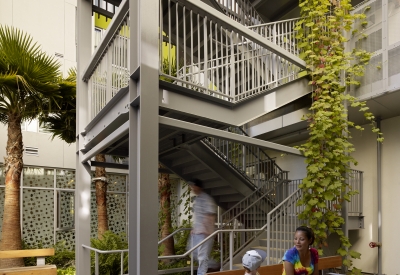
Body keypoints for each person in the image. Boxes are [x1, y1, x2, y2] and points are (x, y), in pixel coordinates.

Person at [187, 179, 218, 275]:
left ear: (198, 187)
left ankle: (202, 272)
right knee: (191, 250)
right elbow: (199, 217)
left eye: (193, 186)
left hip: (204, 233)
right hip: (197, 231)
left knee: (202, 255)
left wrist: (208, 231)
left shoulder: (206, 199)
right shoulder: (198, 198)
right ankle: (213, 265)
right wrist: (194, 228)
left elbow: (210, 215)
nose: (192, 188)